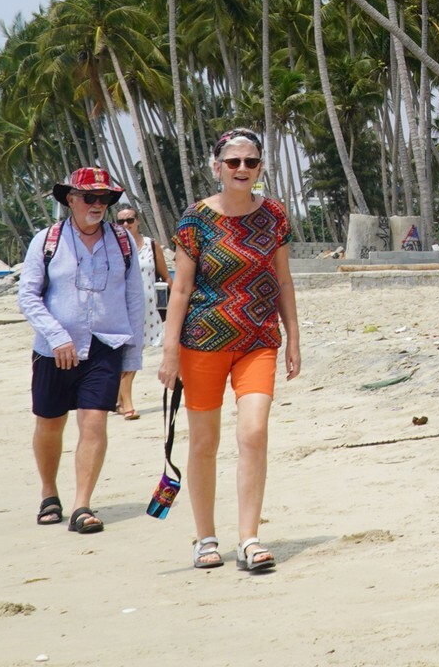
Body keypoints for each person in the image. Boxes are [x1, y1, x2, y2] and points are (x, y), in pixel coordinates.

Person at [158, 128, 301, 571]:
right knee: (204, 441)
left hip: (259, 340)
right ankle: (205, 539)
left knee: (254, 433)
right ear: (217, 167)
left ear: (260, 167)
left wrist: (293, 336)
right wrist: (169, 351)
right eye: (234, 162)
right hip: (202, 341)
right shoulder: (195, 218)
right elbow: (180, 288)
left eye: (251, 162)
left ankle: (250, 538)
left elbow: (283, 280)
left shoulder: (273, 215)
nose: (243, 169)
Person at [18, 167, 145, 533]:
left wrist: (132, 355)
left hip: (105, 346)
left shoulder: (122, 244)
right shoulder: (47, 241)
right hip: (53, 350)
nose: (97, 205)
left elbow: (135, 298)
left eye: (104, 198)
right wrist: (56, 336)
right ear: (70, 199)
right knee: (50, 423)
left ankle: (82, 505)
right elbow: (27, 295)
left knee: (94, 422)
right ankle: (48, 493)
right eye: (89, 197)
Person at [114, 205, 172, 420]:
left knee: (132, 353)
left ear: (138, 221)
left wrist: (177, 302)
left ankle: (120, 400)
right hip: (122, 309)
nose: (126, 225)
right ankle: (126, 404)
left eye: (130, 220)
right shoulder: (114, 247)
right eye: (121, 221)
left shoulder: (151, 245)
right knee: (131, 353)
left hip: (147, 310)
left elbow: (165, 276)